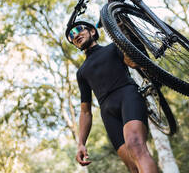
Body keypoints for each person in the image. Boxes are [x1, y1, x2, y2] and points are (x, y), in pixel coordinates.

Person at [65, 20, 159, 173]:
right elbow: (85, 111)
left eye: (79, 30)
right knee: (132, 166)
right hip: (108, 113)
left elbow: (132, 62)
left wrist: (125, 35)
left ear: (92, 32)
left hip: (127, 95)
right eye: (71, 36)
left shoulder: (113, 48)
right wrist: (81, 143)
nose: (75, 35)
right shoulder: (81, 72)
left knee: (135, 145)